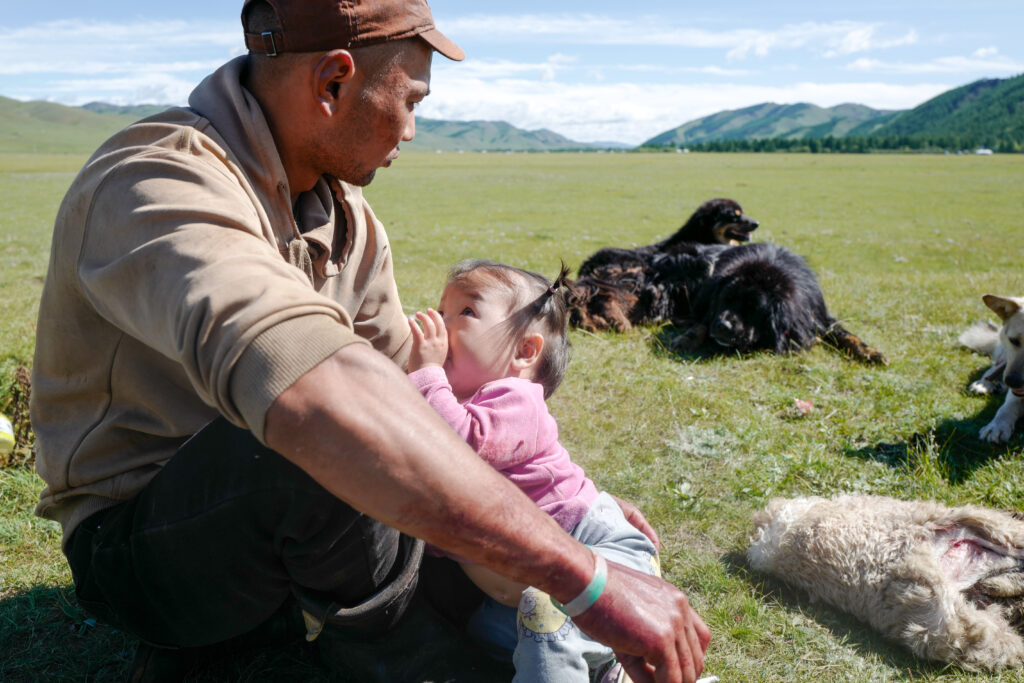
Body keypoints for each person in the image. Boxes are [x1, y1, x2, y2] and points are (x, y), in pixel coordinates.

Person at [29, 0, 711, 680]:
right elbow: (321, 394)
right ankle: (397, 656)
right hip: (144, 545)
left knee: (440, 499)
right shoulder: (156, 179)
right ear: (333, 82)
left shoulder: (347, 219)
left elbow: (408, 385)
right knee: (324, 435)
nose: (412, 129)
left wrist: (556, 510)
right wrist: (582, 575)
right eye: (409, 99)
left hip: (299, 534)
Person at [406, 259, 663, 682]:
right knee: (487, 637)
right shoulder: (451, 403)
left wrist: (427, 374)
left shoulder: (518, 399)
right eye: (442, 309)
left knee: (545, 619)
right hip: (524, 585)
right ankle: (605, 670)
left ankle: (604, 659)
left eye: (465, 312)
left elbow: (458, 451)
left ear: (525, 351)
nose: (441, 322)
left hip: (600, 556)